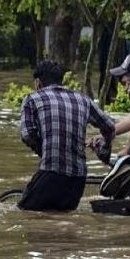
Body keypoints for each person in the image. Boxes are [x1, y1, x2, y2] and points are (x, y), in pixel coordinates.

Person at [18, 60, 115, 211]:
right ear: (61, 80)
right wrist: (105, 147)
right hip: (78, 179)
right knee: (62, 219)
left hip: (51, 172)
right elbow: (109, 126)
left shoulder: (32, 99)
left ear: (38, 82)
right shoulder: (83, 99)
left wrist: (44, 151)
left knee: (24, 214)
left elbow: (27, 135)